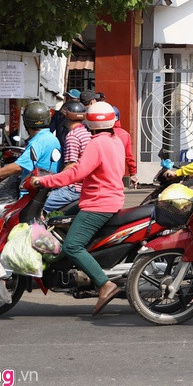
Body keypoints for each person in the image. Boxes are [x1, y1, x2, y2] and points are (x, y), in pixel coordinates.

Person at [30, 101, 126, 316]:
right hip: (109, 198)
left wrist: (45, 181)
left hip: (99, 203)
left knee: (72, 246)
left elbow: (76, 173)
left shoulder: (96, 143)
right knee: (57, 221)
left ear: (90, 121)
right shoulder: (115, 139)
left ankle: (104, 284)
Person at [0, 101, 60, 193]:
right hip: (44, 190)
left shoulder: (38, 142)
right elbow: (29, 166)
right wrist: (0, 175)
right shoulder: (52, 139)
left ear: (26, 122)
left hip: (31, 194)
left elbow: (19, 167)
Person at [44, 101, 90, 213]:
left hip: (73, 189)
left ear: (65, 118)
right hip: (85, 186)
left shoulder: (73, 136)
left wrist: (53, 181)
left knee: (37, 205)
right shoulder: (86, 133)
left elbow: (71, 165)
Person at [111, 106, 138, 188]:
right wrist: (133, 173)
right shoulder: (125, 134)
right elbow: (129, 156)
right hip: (119, 172)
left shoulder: (100, 134)